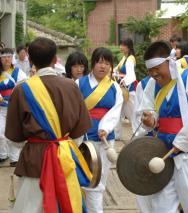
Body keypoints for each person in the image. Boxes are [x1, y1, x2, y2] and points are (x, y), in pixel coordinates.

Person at [5, 37, 92, 212]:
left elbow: (14, 140)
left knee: (30, 206)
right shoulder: (72, 87)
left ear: (30, 60)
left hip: (33, 162)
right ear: (55, 59)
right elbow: (79, 134)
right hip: (65, 159)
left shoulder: (21, 89)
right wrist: (63, 145)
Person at [137, 41, 188, 212]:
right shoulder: (152, 84)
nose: (153, 74)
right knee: (161, 208)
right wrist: (150, 120)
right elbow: (148, 109)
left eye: (157, 68)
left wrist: (181, 143)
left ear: (170, 61)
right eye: (150, 70)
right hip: (164, 156)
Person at [77, 47, 123, 212]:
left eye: (107, 63)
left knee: (98, 181)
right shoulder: (79, 83)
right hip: (83, 139)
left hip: (104, 139)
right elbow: (74, 109)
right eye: (99, 62)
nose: (103, 66)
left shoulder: (114, 87)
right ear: (93, 64)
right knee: (81, 178)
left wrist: (105, 128)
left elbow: (116, 111)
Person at [0, 48, 27, 167]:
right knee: (1, 132)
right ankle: (3, 154)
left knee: (14, 132)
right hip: (0, 108)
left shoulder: (18, 72)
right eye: (4, 57)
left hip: (14, 107)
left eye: (9, 57)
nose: (7, 59)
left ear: (12, 58)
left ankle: (14, 158)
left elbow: (24, 87)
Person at [114, 38, 137, 140]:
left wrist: (123, 82)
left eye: (123, 45)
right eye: (121, 45)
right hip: (122, 90)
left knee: (133, 114)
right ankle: (116, 135)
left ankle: (137, 135)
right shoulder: (124, 58)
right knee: (117, 112)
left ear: (128, 47)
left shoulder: (130, 59)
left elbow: (132, 76)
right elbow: (117, 69)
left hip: (128, 91)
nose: (121, 47)